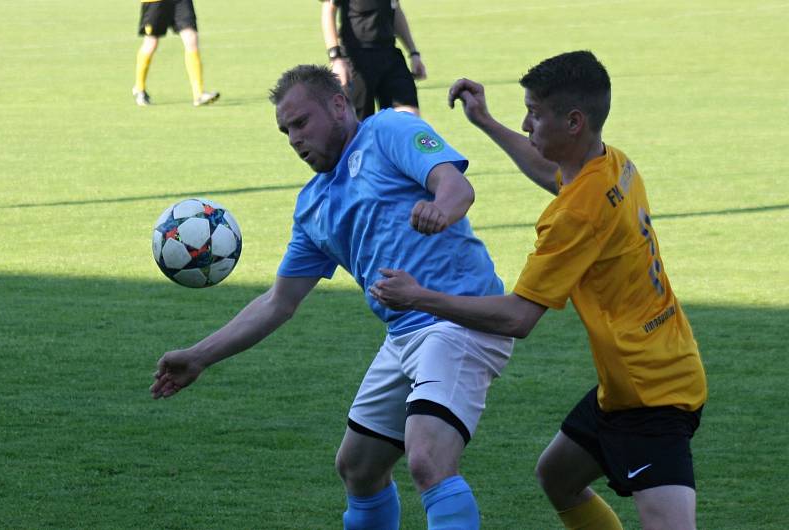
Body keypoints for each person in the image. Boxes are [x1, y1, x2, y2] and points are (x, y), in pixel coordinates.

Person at [150, 64, 514, 529]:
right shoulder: (313, 206)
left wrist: (440, 210)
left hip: (461, 320)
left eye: (301, 123)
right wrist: (200, 357)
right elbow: (277, 302)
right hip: (404, 335)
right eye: (286, 131)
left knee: (427, 459)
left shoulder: (389, 130)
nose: (294, 139)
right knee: (358, 468)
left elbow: (457, 187)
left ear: (339, 105)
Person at [370, 50, 708, 530]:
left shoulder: (575, 216)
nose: (526, 123)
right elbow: (547, 167)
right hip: (636, 377)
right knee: (557, 476)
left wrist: (418, 296)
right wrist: (484, 121)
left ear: (574, 121)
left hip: (652, 396)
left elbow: (517, 318)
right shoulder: (613, 165)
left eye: (534, 112)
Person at [320, 0, 427, 120]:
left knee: (408, 119)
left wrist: (413, 53)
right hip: (357, 60)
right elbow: (328, 8)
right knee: (359, 126)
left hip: (390, 56)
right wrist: (336, 58)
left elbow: (395, 9)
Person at [133, 0, 219, 107]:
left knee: (191, 37)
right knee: (151, 42)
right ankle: (140, 89)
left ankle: (199, 94)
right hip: (155, 2)